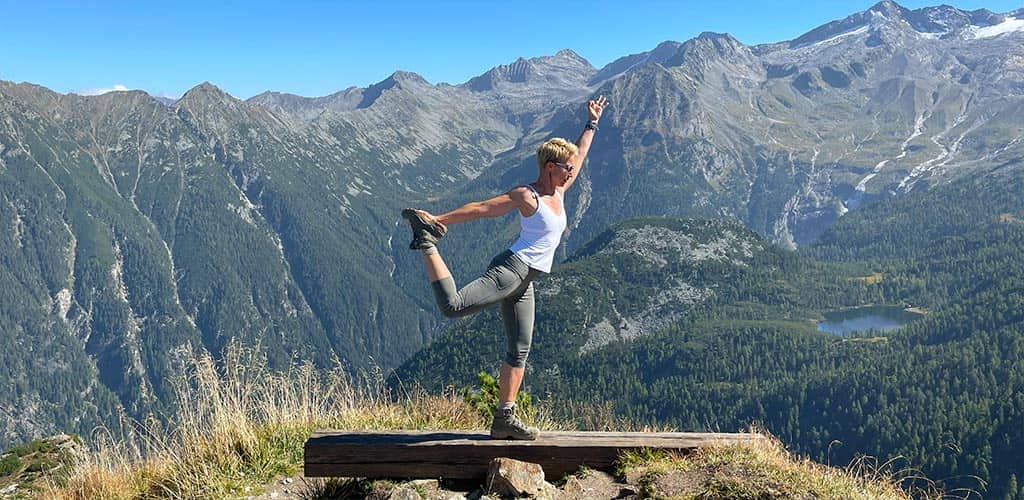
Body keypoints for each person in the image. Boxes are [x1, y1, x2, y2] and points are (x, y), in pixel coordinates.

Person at [401, 95, 608, 440]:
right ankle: (426, 241)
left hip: (526, 281)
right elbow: (483, 208)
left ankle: (504, 419)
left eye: (571, 168)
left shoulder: (560, 190)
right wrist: (439, 219)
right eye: (566, 167)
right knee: (453, 307)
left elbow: (582, 153)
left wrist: (592, 122)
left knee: (520, 349)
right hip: (510, 271)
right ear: (549, 167)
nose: (572, 171)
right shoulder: (529, 196)